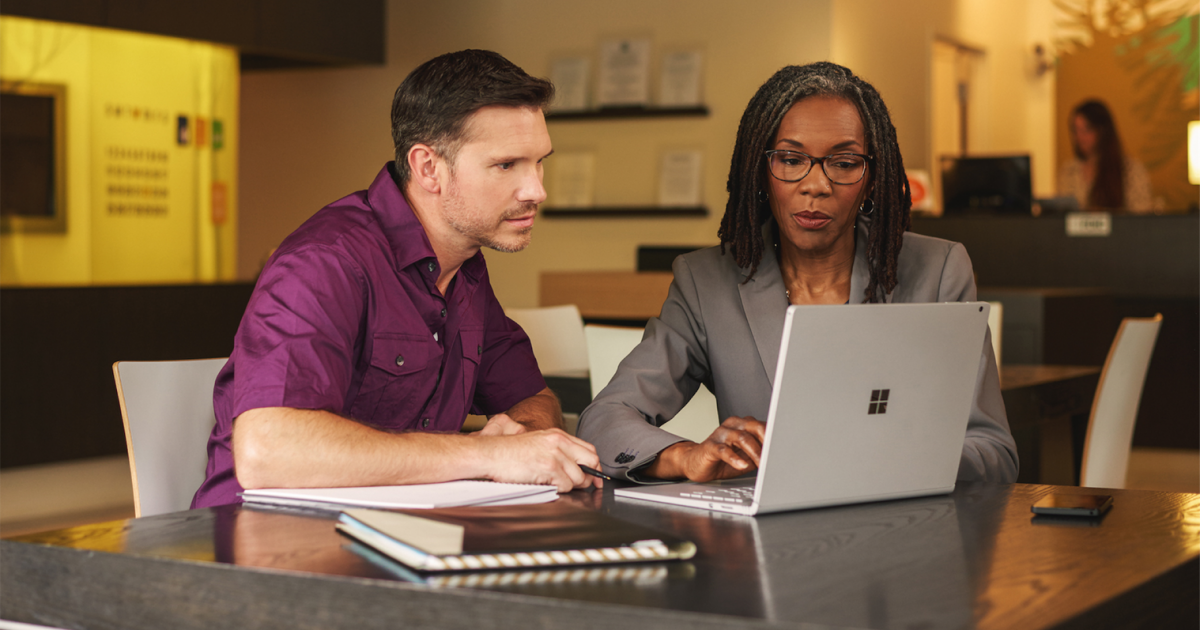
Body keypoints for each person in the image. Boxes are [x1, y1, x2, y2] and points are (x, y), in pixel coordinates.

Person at [192, 50, 601, 509]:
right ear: (429, 168)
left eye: (539, 161)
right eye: (507, 165)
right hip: (267, 551)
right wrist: (485, 454)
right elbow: (268, 450)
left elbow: (534, 398)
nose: (537, 190)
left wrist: (523, 440)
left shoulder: (463, 269)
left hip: (395, 539)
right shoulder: (323, 262)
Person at [576, 62, 1018, 484]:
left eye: (843, 163)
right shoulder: (705, 281)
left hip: (899, 538)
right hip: (766, 543)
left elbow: (993, 452)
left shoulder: (938, 271)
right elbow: (605, 419)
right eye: (790, 159)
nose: (816, 184)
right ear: (760, 172)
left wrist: (885, 459)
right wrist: (686, 456)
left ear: (870, 177)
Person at [1058, 99, 1153, 213]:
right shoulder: (1068, 172)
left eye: (1086, 129)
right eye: (1075, 131)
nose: (1080, 138)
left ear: (1102, 131)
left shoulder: (1131, 171)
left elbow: (1141, 217)